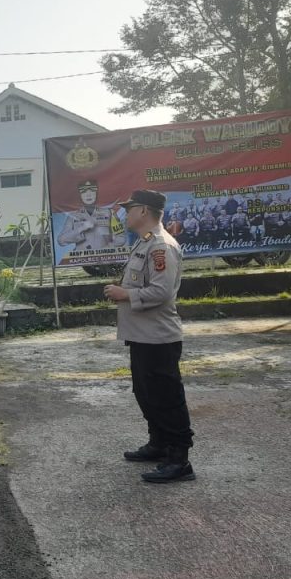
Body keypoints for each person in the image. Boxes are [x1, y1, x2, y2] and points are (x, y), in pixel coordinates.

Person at [103, 189, 195, 484]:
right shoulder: (145, 243)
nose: (125, 213)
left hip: (159, 337)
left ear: (143, 211)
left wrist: (124, 294)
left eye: (129, 208)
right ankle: (158, 444)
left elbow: (161, 292)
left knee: (167, 398)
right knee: (146, 393)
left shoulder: (160, 247)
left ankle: (180, 460)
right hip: (143, 335)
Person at [58, 179, 127, 253]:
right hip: (83, 260)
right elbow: (61, 240)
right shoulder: (73, 216)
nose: (88, 195)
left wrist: (107, 249)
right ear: (80, 195)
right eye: (84, 192)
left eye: (92, 191)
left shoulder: (109, 212)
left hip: (105, 260)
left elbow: (121, 237)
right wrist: (81, 228)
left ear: (96, 193)